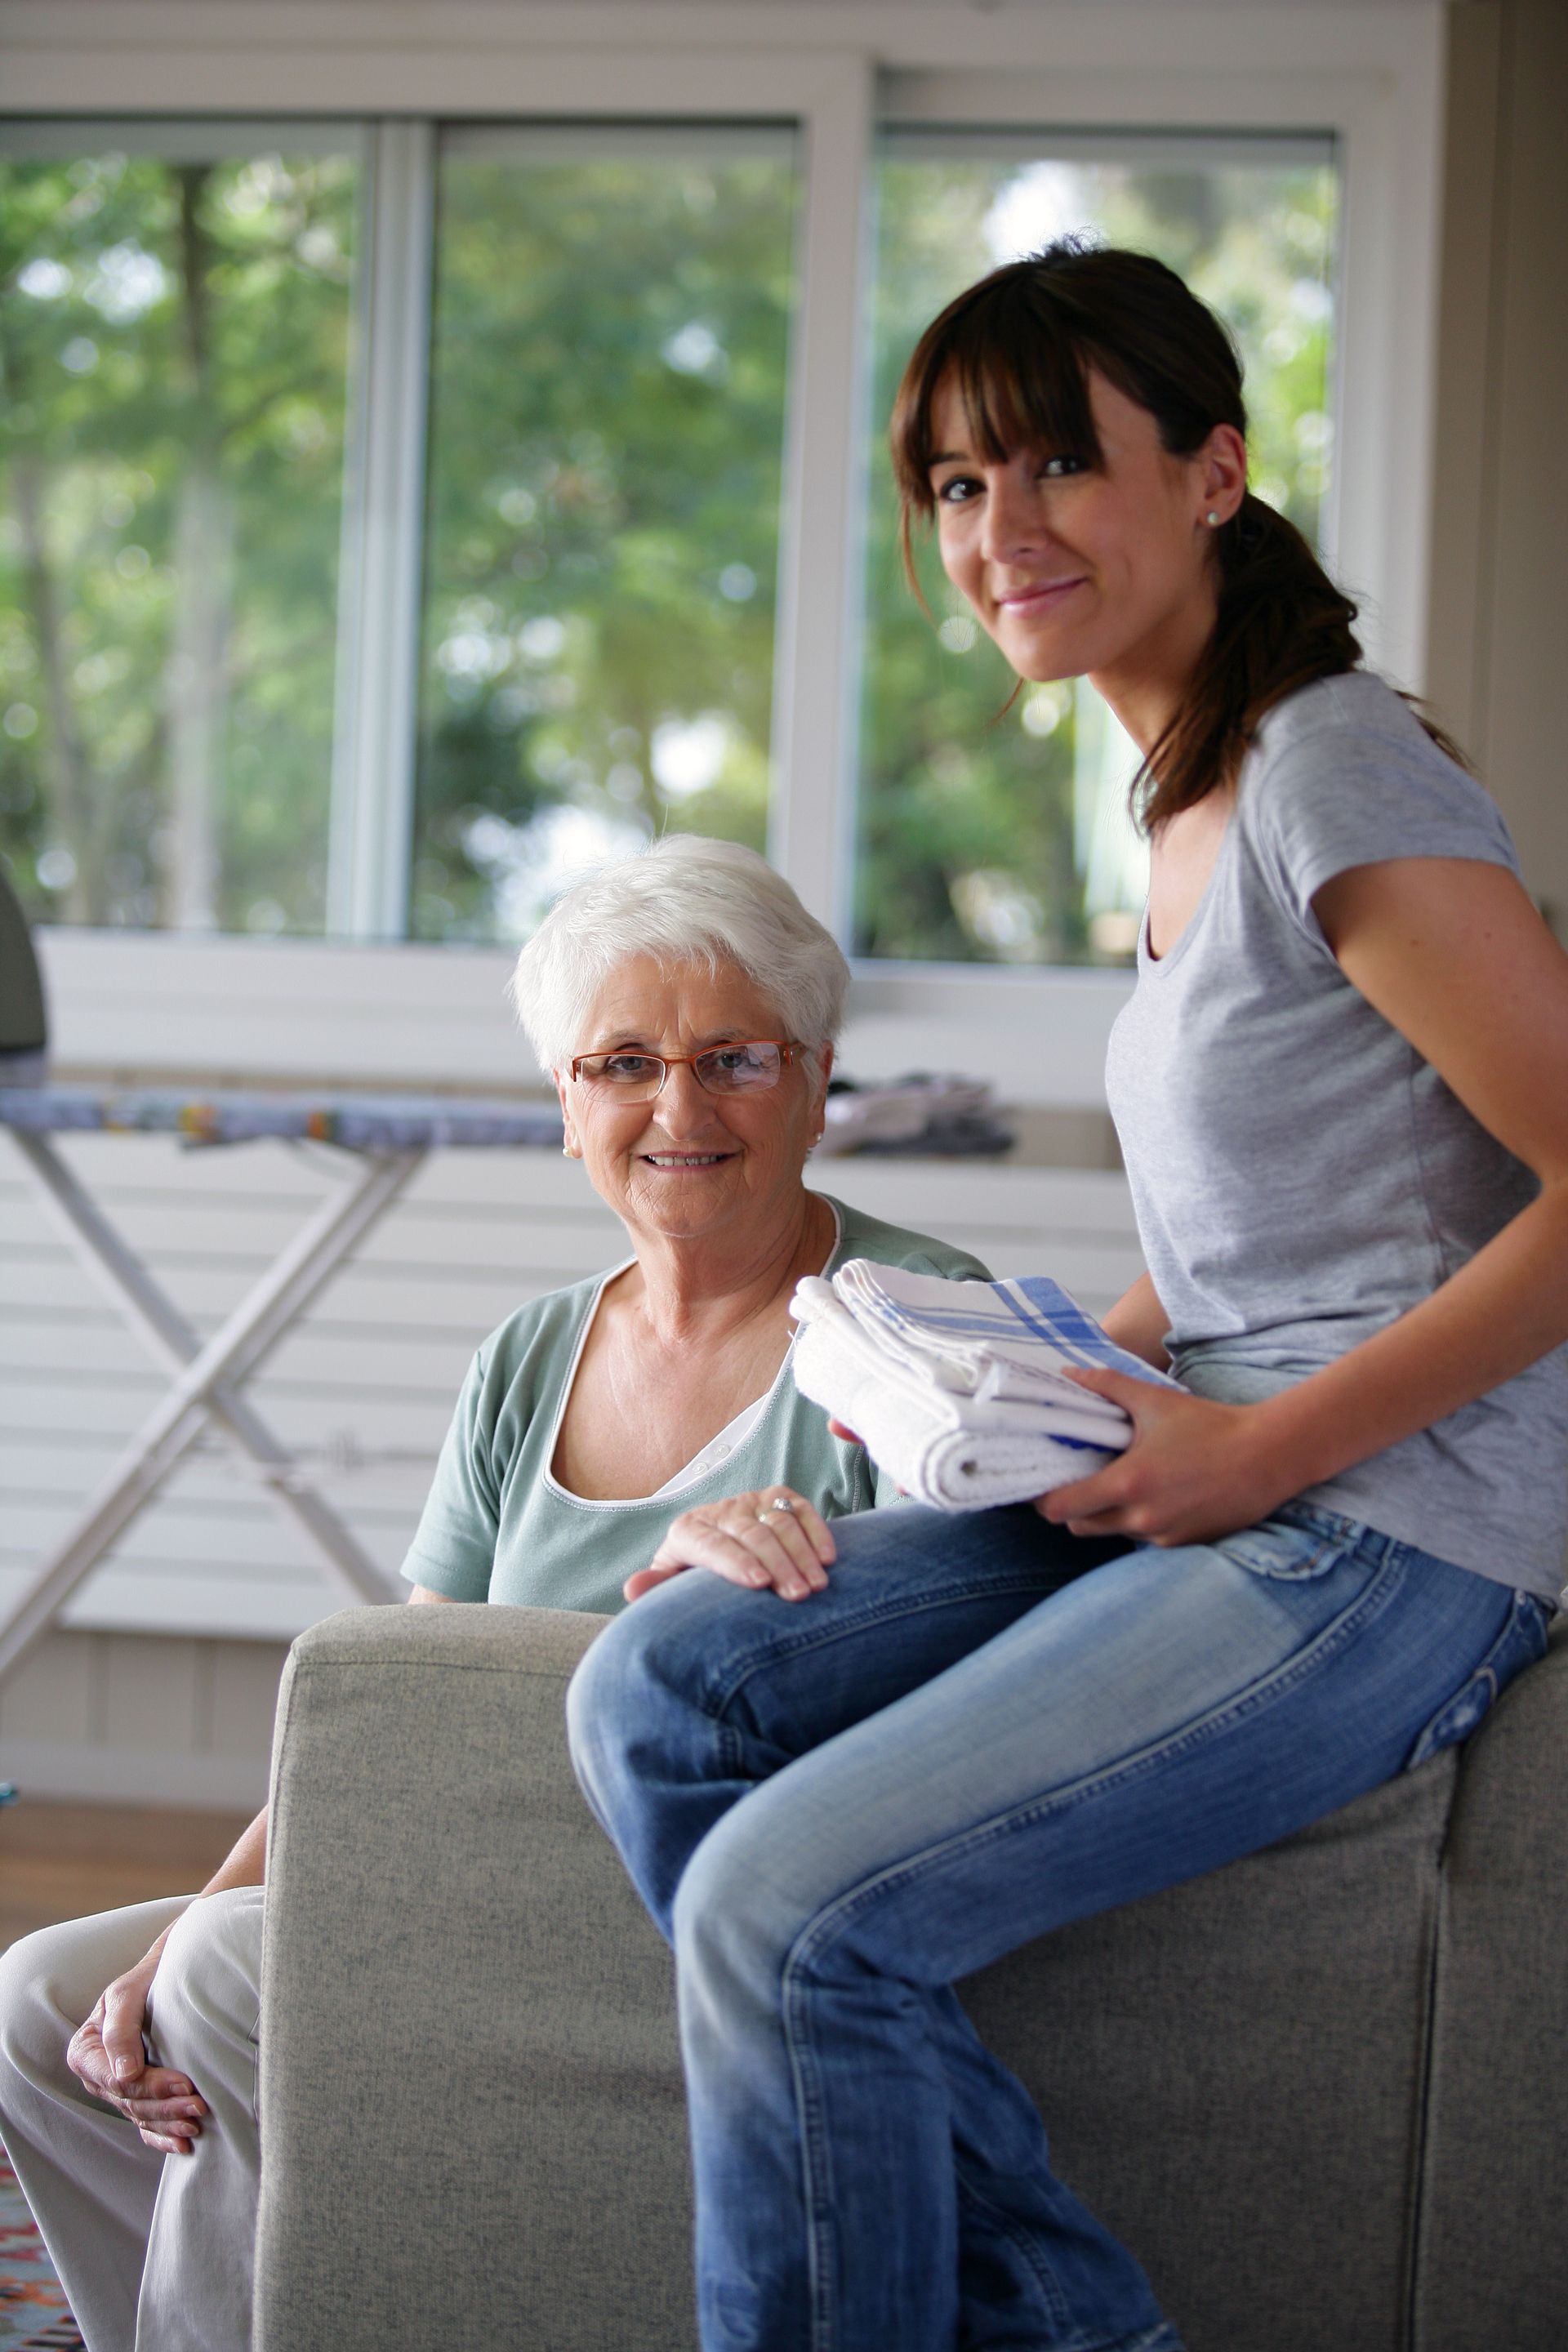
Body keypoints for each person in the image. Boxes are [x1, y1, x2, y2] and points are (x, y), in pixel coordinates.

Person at [565, 243, 1568, 2352]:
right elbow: (1285, 1232)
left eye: (1051, 469)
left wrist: (1252, 1451)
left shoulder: (1329, 769)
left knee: (788, 1907)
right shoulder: (1188, 795)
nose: (995, 534)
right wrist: (1008, 1368)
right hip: (1222, 1450)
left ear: (1213, 474)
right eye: (950, 487)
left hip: (1395, 1531)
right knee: (655, 1694)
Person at [0, 835, 988, 2352]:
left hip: (687, 1912)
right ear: (567, 1101)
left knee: (223, 1978)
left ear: (813, 1075)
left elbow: (981, 1687)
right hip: (450, 1873)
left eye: (731, 1058)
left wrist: (798, 1587)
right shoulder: (530, 1353)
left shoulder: (914, 1327)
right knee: (46, 2005)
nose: (679, 1110)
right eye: (624, 1064)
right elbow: (385, 1715)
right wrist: (171, 1932)